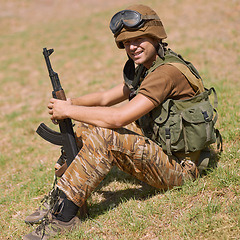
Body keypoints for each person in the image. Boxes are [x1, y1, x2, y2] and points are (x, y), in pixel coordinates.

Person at [23, 4, 220, 240]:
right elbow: (107, 98)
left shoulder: (166, 73)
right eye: (126, 42)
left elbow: (120, 117)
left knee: (104, 135)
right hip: (165, 148)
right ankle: (63, 196)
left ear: (156, 36)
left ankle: (65, 217)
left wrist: (70, 110)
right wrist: (71, 102)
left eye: (138, 39)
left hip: (183, 168)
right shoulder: (149, 67)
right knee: (89, 125)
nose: (132, 47)